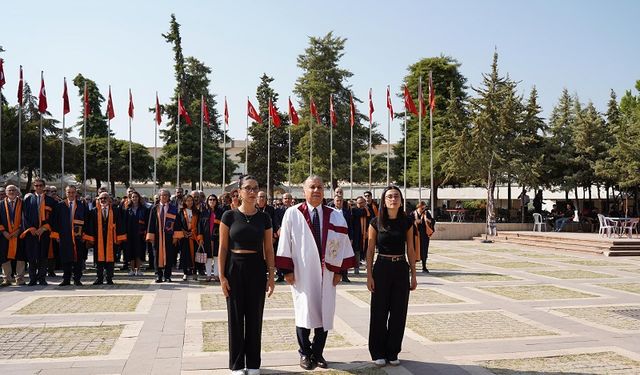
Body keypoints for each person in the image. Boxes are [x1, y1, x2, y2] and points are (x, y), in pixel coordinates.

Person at [276, 175, 355, 371]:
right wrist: (286, 270)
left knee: (324, 312)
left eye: (320, 186)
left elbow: (344, 244)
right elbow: (285, 241)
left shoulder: (335, 214)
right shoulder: (293, 213)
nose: (317, 190)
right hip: (302, 272)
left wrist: (340, 271)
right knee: (304, 311)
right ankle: (304, 353)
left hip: (328, 272)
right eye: (312, 187)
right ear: (304, 191)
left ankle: (318, 352)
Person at [218, 175, 275, 375]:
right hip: (234, 268)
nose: (252, 192)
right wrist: (222, 277)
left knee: (254, 317)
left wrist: (270, 276)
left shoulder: (264, 218)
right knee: (235, 317)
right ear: (239, 192)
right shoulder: (229, 216)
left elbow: (268, 249)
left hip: (257, 268)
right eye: (248, 188)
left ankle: (253, 364)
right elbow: (223, 248)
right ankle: (236, 365)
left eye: (255, 188)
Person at [366, 186, 417, 367]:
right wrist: (369, 275)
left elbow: (410, 249)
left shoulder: (407, 221)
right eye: (389, 196)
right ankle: (378, 351)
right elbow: (370, 250)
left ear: (401, 200)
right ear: (384, 200)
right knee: (379, 311)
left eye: (396, 196)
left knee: (398, 312)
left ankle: (393, 351)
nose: (393, 199)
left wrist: (413, 274)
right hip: (382, 268)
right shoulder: (375, 222)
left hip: (400, 268)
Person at [84, 192, 127, 285]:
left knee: (110, 260)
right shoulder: (94, 211)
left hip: (111, 239)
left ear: (109, 200)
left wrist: (119, 238)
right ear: (98, 200)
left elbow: (120, 225)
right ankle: (99, 278)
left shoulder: (115, 211)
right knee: (98, 260)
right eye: (101, 198)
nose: (103, 200)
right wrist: (90, 239)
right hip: (98, 239)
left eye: (105, 198)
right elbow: (90, 226)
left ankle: (109, 278)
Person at [50, 185, 88, 286]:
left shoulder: (82, 205)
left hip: (78, 237)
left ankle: (77, 279)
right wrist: (56, 235)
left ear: (76, 193)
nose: (71, 194)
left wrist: (85, 235)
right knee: (65, 258)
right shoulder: (60, 205)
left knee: (78, 259)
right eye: (69, 192)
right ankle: (66, 279)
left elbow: (87, 221)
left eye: (73, 192)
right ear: (65, 193)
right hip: (64, 236)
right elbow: (55, 222)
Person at [22, 179, 57, 286]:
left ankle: (42, 278)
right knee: (32, 256)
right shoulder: (28, 200)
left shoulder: (51, 200)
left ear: (44, 186)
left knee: (43, 256)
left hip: (45, 232)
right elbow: (24, 216)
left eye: (40, 185)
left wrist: (44, 228)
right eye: (36, 185)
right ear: (34, 186)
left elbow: (54, 217)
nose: (38, 187)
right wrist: (31, 228)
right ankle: (32, 279)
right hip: (31, 232)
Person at [146, 189, 180, 283]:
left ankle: (168, 276)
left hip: (169, 236)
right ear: (159, 197)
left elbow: (177, 224)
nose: (164, 197)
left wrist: (176, 236)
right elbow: (151, 223)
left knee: (169, 256)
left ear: (169, 197)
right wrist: (151, 237)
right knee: (156, 255)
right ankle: (158, 275)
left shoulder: (173, 208)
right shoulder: (154, 208)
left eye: (166, 195)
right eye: (162, 195)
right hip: (157, 236)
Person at [0, 185, 26, 286]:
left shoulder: (23, 203)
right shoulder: (1, 204)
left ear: (17, 192)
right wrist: (3, 232)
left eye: (13, 190)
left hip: (19, 234)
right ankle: (7, 278)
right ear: (6, 192)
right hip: (5, 235)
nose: (11, 192)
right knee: (4, 256)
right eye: (9, 190)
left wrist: (19, 230)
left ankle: (20, 278)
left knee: (20, 256)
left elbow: (25, 218)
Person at [199, 194, 225, 282]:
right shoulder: (204, 213)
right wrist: (200, 238)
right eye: (210, 199)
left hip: (217, 238)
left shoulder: (221, 212)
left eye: (214, 199)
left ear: (216, 201)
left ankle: (216, 275)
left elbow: (223, 226)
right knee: (208, 258)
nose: (212, 201)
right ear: (207, 201)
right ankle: (209, 275)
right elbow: (200, 226)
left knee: (217, 257)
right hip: (206, 238)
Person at [176, 194, 202, 281]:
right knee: (184, 254)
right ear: (184, 202)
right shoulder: (180, 212)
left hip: (194, 236)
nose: (190, 202)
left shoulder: (197, 212)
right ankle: (185, 273)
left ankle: (194, 272)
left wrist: (194, 232)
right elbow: (178, 224)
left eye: (191, 200)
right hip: (184, 236)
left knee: (195, 254)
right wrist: (184, 232)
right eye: (187, 200)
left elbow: (199, 224)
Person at [125, 191, 149, 276]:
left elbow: (146, 222)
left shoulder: (144, 209)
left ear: (139, 198)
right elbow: (125, 222)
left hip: (140, 233)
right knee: (131, 252)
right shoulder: (127, 209)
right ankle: (131, 269)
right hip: (130, 233)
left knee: (139, 252)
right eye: (133, 197)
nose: (134, 198)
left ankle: (138, 270)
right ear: (131, 198)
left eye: (136, 197)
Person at [333, 195, 353, 282]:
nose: (339, 202)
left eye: (340, 201)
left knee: (344, 256)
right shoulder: (330, 212)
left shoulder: (347, 212)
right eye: (337, 200)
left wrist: (351, 238)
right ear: (334, 202)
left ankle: (344, 276)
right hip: (333, 239)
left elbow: (351, 225)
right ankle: (334, 275)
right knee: (334, 257)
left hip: (344, 237)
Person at [411, 201, 435, 273]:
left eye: (424, 208)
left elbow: (433, 221)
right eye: (422, 208)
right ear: (418, 207)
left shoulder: (427, 213)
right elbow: (408, 222)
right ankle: (412, 266)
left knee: (424, 250)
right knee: (414, 250)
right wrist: (415, 222)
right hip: (415, 235)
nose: (423, 209)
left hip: (424, 236)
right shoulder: (413, 213)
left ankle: (424, 266)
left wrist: (428, 220)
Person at [351, 196, 370, 273]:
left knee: (368, 251)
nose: (361, 204)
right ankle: (356, 268)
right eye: (359, 203)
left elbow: (372, 220)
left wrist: (368, 232)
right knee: (357, 251)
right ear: (356, 203)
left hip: (367, 234)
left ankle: (368, 267)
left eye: (362, 202)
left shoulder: (369, 211)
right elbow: (362, 212)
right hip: (357, 234)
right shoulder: (354, 210)